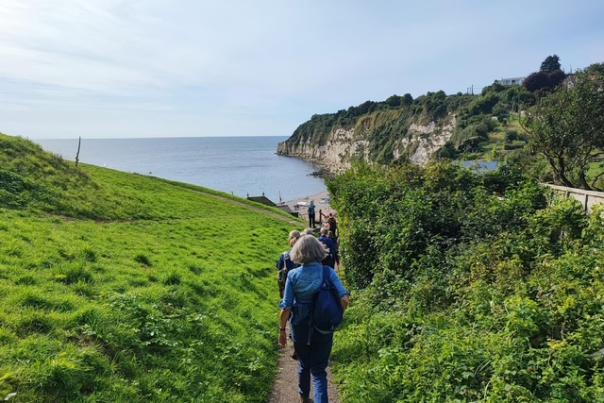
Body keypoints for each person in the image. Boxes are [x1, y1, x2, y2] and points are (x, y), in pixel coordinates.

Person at [279, 235, 350, 403]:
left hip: (300, 327)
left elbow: (286, 307)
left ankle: (304, 397)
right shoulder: (328, 272)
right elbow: (344, 299)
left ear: (298, 252)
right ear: (319, 250)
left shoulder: (293, 275)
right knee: (319, 371)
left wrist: (282, 331)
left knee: (304, 364)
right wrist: (337, 315)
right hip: (324, 327)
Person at [276, 230, 301, 298]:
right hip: (302, 291)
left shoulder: (284, 256)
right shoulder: (306, 256)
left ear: (290, 240)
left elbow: (279, 275)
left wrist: (281, 290)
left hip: (287, 290)